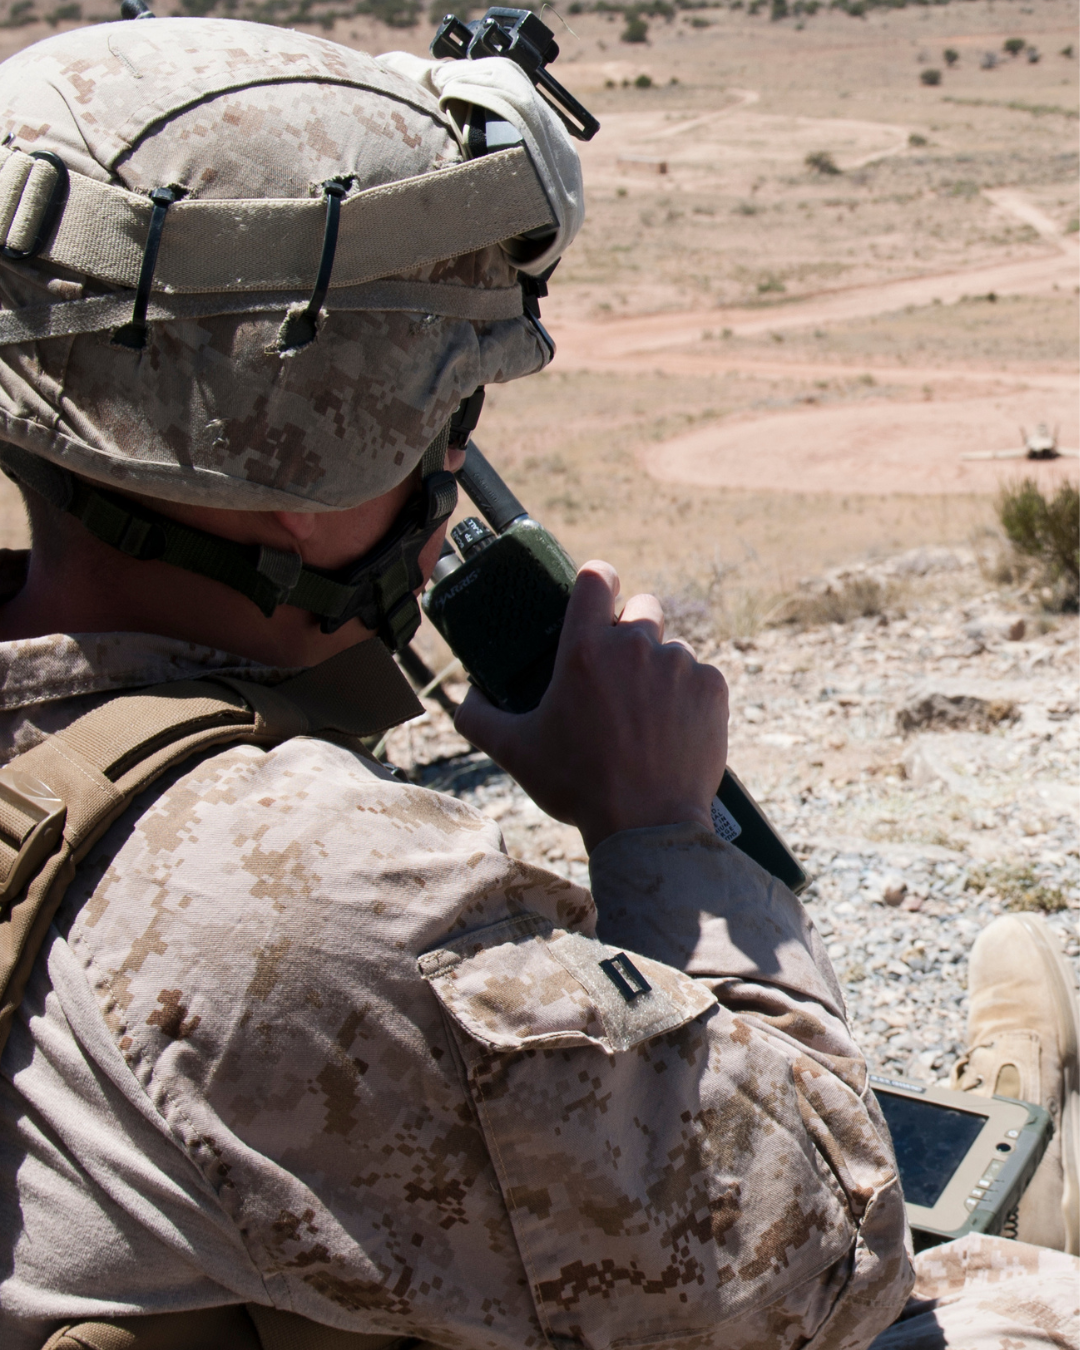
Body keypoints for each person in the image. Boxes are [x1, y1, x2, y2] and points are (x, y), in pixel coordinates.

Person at [0, 16, 1073, 1350]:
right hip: (781, 1267)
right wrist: (660, 828)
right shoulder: (306, 906)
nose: (454, 463)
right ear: (306, 479)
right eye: (446, 414)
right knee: (1017, 1310)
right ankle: (1000, 1183)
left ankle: (997, 1150)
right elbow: (815, 1264)